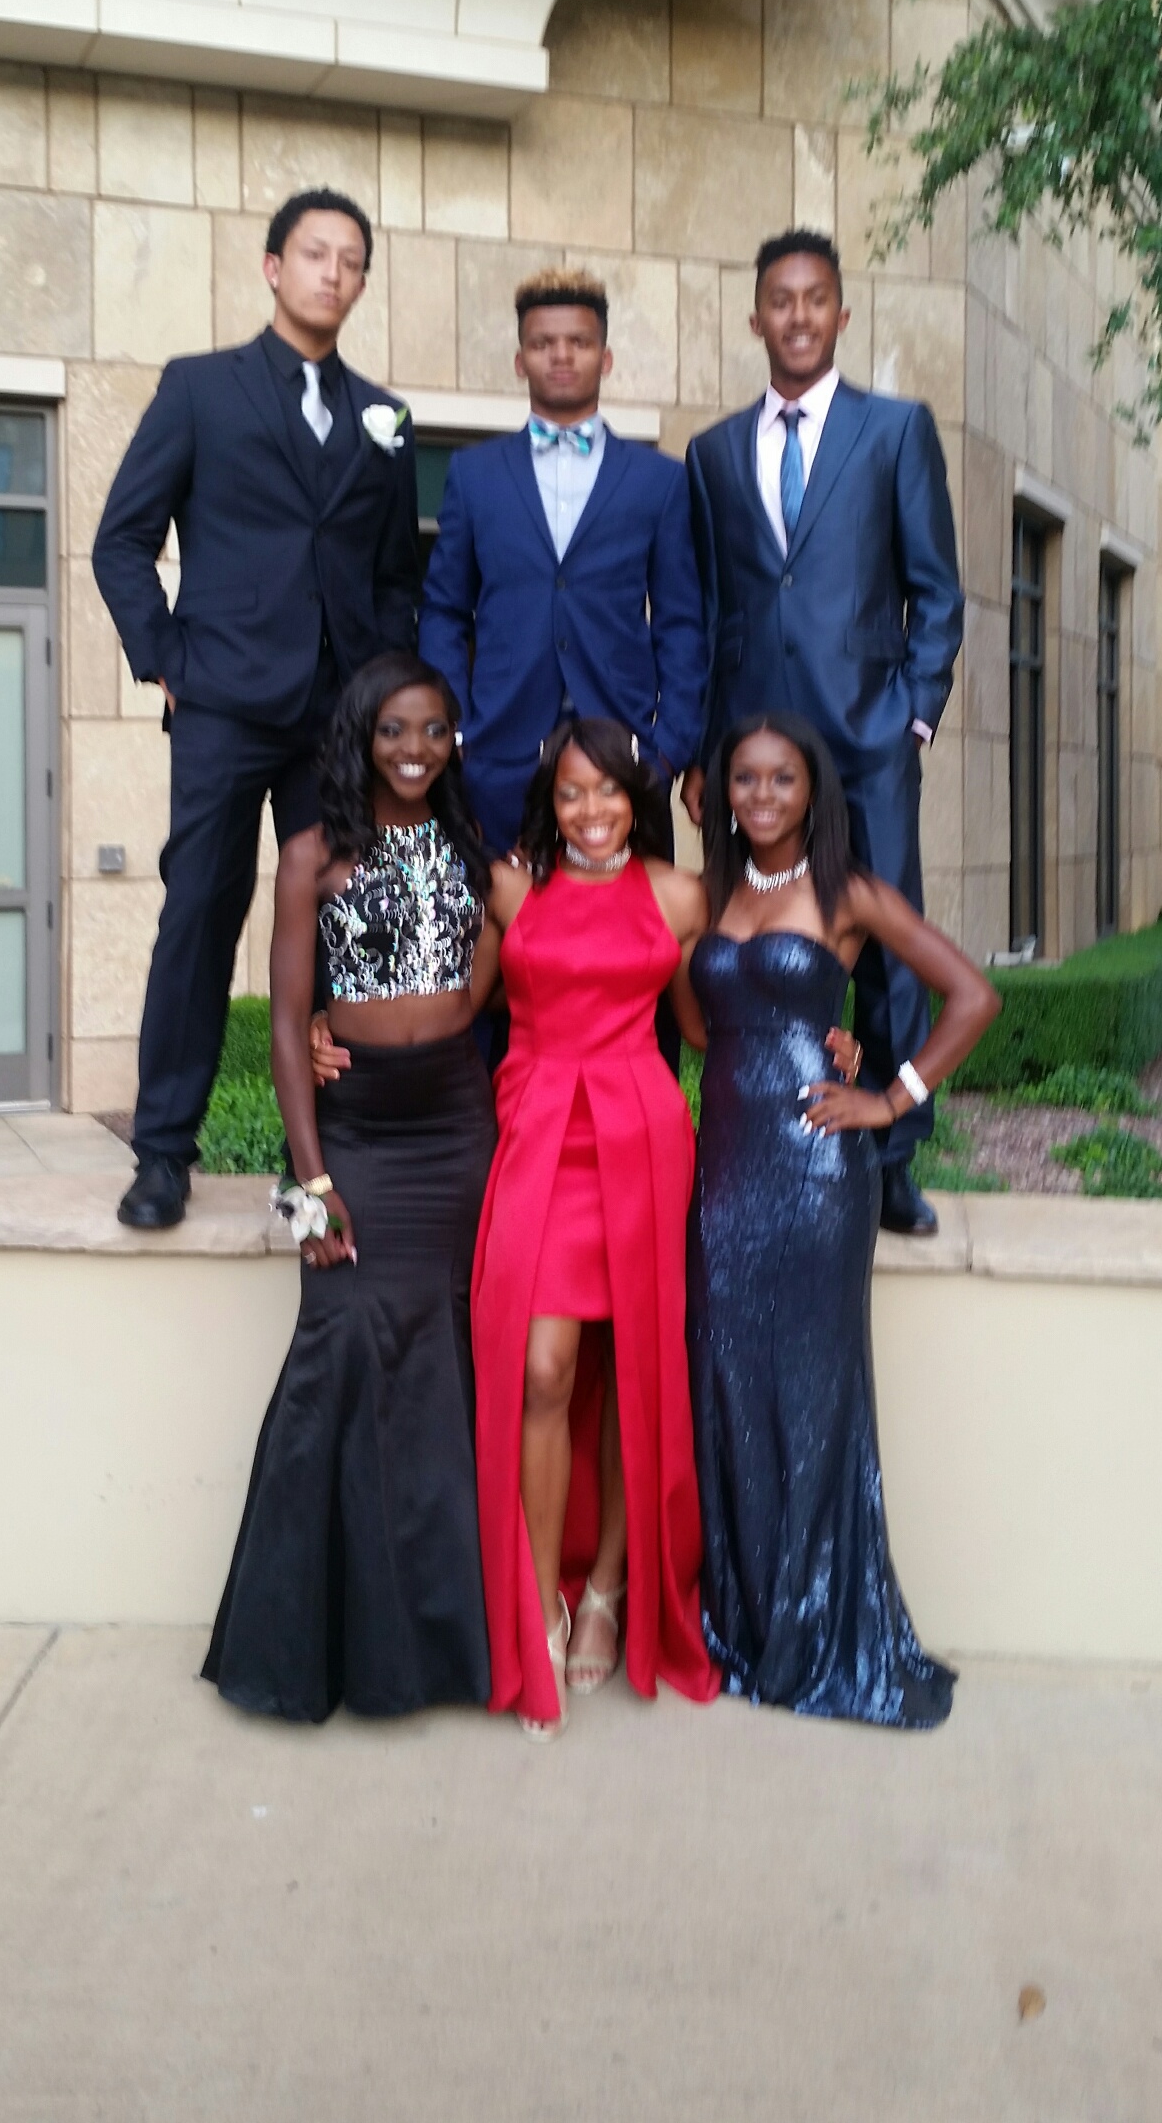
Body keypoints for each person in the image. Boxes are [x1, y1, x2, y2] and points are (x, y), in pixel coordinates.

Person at [92, 188, 420, 1230]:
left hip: (340, 717)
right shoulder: (200, 389)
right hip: (226, 704)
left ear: (361, 283)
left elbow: (396, 573)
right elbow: (121, 540)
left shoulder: (385, 415)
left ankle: (316, 1158)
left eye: (351, 260)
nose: (334, 272)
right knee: (200, 912)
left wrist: (385, 687)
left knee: (341, 927)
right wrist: (167, 659)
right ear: (274, 267)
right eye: (316, 253)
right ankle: (162, 1153)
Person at [673, 712, 999, 1728]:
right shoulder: (712, 893)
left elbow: (973, 995)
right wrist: (793, 1029)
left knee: (812, 1396)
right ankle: (746, 1620)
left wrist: (890, 1097)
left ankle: (814, 1630)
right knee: (727, 1382)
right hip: (725, 1170)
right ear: (721, 792)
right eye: (745, 778)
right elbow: (700, 1027)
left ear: (812, 789)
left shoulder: (847, 890)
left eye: (782, 778)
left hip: (818, 1174)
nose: (762, 796)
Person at [202, 654, 499, 1723]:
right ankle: (297, 1650)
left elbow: (510, 970)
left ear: (453, 740)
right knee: (334, 1347)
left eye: (433, 730)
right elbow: (288, 1026)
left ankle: (438, 1650)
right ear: (361, 739)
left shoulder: (475, 850)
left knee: (442, 1371)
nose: (415, 750)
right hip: (352, 1130)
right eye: (393, 731)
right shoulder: (310, 855)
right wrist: (311, 1183)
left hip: (456, 1127)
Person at [684, 230, 965, 1238]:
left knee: (887, 950)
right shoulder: (713, 453)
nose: (797, 316)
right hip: (753, 756)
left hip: (867, 736)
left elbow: (937, 590)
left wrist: (911, 718)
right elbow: (711, 610)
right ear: (755, 316)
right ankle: (748, 1133)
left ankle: (892, 1157)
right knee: (744, 943)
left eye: (815, 299)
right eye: (780, 300)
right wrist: (706, 755)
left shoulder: (895, 430)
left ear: (841, 315)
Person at [468, 718, 716, 1738]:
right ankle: (539, 1602)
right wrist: (325, 1024)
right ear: (551, 800)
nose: (590, 810)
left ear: (636, 797)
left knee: (631, 1373)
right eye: (571, 792)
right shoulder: (511, 889)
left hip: (640, 1133)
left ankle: (608, 1585)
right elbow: (455, 1006)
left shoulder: (680, 895)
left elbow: (704, 1025)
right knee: (545, 1370)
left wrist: (827, 1038)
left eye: (608, 790)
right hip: (539, 1134)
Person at [419, 268, 705, 859]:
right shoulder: (474, 475)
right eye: (543, 343)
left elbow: (681, 622)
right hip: (499, 752)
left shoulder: (660, 481)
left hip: (625, 753)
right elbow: (444, 610)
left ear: (606, 357)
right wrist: (457, 727)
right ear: (520, 360)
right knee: (499, 910)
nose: (561, 355)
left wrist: (669, 747)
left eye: (579, 341)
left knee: (628, 916)